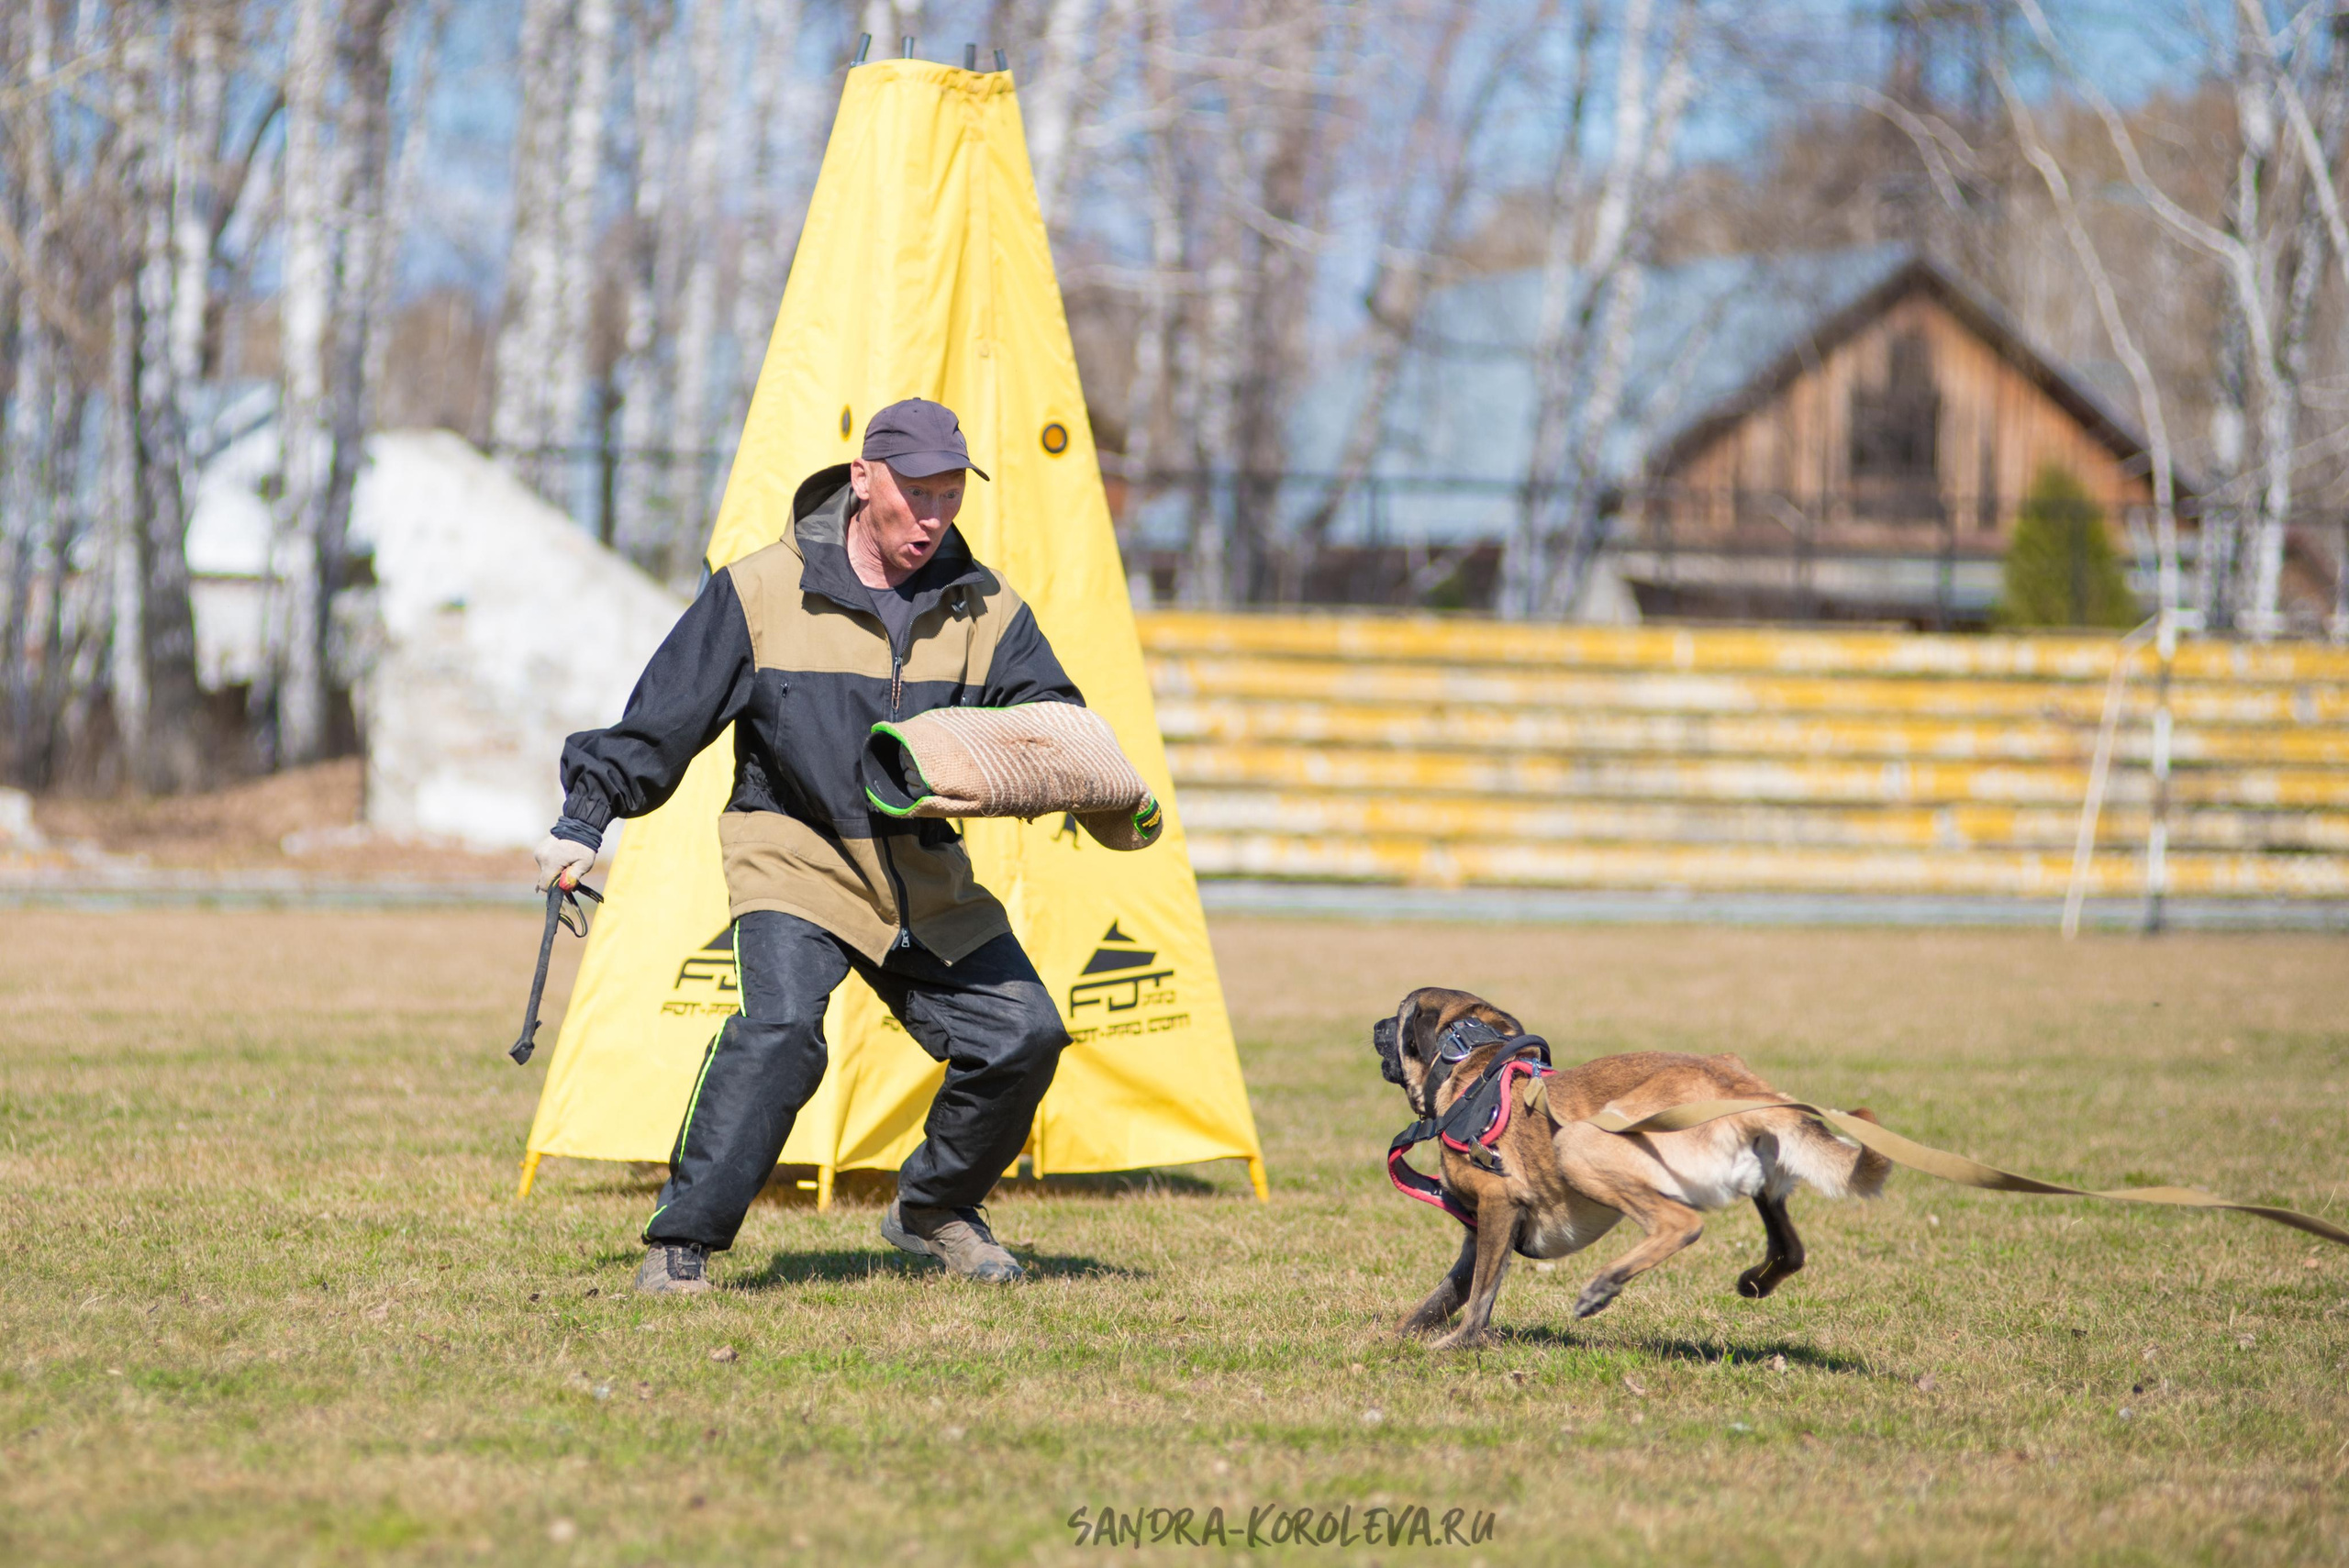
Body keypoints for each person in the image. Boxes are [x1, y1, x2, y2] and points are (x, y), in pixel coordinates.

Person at [535, 398, 1079, 1292]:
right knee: (782, 1029)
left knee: (1023, 1033)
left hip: (920, 866)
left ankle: (936, 1208)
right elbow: (662, 718)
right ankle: (686, 1243)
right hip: (794, 849)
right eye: (917, 493)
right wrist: (582, 818)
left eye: (950, 495)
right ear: (864, 481)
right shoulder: (757, 589)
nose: (935, 516)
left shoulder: (986, 607)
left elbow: (1053, 719)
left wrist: (1077, 779)